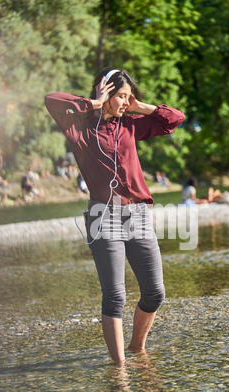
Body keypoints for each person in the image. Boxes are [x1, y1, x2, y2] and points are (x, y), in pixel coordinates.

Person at [45, 67, 185, 364]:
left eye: (128, 96)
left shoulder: (130, 125)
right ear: (105, 91)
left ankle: (138, 348)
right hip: (102, 217)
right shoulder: (78, 128)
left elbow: (174, 118)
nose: (125, 101)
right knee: (115, 297)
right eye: (120, 95)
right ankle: (119, 369)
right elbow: (52, 99)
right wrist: (95, 103)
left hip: (138, 215)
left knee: (155, 292)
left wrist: (138, 106)